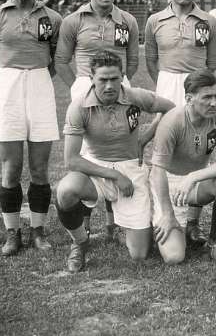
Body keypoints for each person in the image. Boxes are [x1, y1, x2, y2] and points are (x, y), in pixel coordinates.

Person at [55, 50, 175, 272]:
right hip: (97, 168)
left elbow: (170, 109)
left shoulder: (134, 96)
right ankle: (80, 242)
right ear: (91, 79)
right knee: (66, 191)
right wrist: (115, 175)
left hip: (131, 167)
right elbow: (71, 160)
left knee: (139, 254)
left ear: (122, 77)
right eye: (103, 80)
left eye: (114, 79)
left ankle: (123, 224)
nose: (109, 86)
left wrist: (144, 139)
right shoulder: (79, 106)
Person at [0, 0, 63, 256]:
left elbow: (56, 60)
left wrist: (37, 78)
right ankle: (12, 233)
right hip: (8, 87)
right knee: (11, 167)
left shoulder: (52, 17)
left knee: (40, 168)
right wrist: (3, 84)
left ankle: (38, 231)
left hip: (40, 84)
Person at [55, 0, 140, 237]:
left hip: (119, 86)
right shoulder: (74, 21)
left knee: (119, 147)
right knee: (87, 154)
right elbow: (60, 60)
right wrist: (80, 88)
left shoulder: (127, 20)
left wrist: (120, 86)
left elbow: (133, 60)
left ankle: (114, 222)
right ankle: (87, 218)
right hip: (85, 86)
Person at [144, 0, 216, 247]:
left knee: (200, 148)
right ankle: (161, 212)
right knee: (164, 150)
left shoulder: (209, 21)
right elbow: (150, 60)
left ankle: (193, 223)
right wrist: (167, 84)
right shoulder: (154, 20)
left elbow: (212, 62)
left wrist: (199, 85)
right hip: (168, 83)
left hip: (198, 86)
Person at [149, 70, 216, 267]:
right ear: (189, 98)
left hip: (195, 182)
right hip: (169, 183)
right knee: (174, 256)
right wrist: (167, 214)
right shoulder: (172, 121)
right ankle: (153, 218)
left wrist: (193, 176)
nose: (214, 103)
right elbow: (157, 172)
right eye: (207, 97)